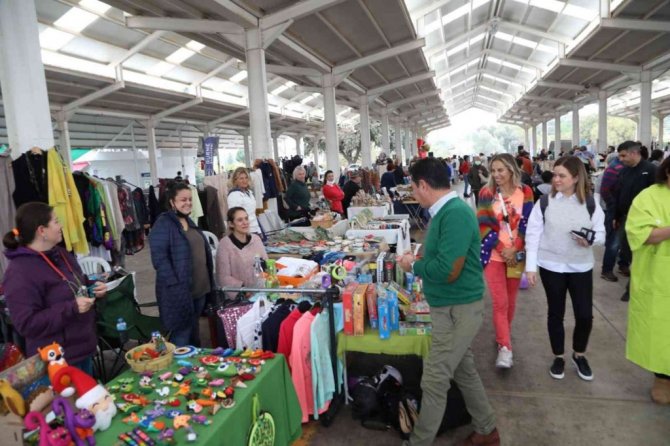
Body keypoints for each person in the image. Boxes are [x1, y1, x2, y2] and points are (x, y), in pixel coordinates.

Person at [397, 157, 499, 446]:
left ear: (423, 185)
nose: (413, 193)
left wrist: (413, 266)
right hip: (449, 307)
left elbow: (447, 271)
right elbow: (445, 256)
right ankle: (487, 429)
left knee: (435, 378)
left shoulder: (454, 214)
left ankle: (419, 441)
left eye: (413, 187)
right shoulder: (443, 212)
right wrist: (420, 257)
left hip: (459, 308)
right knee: (464, 371)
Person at [524, 156, 605, 381]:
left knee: (585, 315)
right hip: (551, 266)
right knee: (555, 313)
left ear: (576, 178)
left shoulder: (590, 203)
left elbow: (601, 233)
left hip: (580, 266)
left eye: (562, 176)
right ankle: (558, 356)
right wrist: (530, 267)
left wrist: (590, 239)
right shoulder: (544, 202)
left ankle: (579, 354)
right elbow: (533, 235)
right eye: (555, 175)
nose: (556, 179)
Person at [2, 202, 107, 375]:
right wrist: (71, 308)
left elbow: (74, 283)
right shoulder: (19, 272)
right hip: (56, 362)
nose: (61, 226)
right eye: (56, 222)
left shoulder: (61, 254)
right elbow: (27, 324)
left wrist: (92, 287)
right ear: (42, 231)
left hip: (82, 349)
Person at [477, 153, 534, 369]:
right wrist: (503, 250)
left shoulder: (526, 192)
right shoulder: (486, 193)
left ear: (511, 169)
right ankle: (505, 348)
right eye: (493, 170)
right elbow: (483, 226)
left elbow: (528, 223)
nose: (496, 174)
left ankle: (503, 336)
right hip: (493, 255)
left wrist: (516, 247)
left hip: (516, 255)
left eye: (500, 170)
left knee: (511, 301)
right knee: (500, 302)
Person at [625, 156, 670, 404]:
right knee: (661, 333)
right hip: (659, 279)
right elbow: (640, 234)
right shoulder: (649, 197)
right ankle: (663, 378)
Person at [150, 182, 214, 347]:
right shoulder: (163, 224)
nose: (188, 203)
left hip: (199, 291)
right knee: (181, 337)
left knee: (194, 332)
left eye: (190, 199)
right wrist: (175, 285)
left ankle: (192, 361)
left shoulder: (189, 222)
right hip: (179, 293)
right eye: (183, 200)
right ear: (172, 202)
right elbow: (159, 259)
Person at [613, 141, 657, 301]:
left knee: (640, 256)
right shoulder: (624, 171)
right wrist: (616, 216)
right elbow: (618, 194)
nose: (620, 159)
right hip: (626, 219)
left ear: (634, 153)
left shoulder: (652, 170)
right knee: (626, 252)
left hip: (646, 222)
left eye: (623, 155)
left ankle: (632, 288)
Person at [216, 207, 268, 293]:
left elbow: (266, 263)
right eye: (240, 220)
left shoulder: (256, 239)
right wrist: (244, 291)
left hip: (261, 290)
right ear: (231, 224)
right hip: (240, 294)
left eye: (246, 218)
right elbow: (223, 277)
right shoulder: (225, 244)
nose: (245, 222)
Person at [599, 156, 626, 282]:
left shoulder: (633, 169)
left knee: (626, 241)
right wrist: (613, 206)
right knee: (614, 241)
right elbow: (604, 190)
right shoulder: (614, 168)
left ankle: (623, 264)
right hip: (616, 211)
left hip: (630, 211)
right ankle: (607, 270)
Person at [227, 167, 261, 234]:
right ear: (235, 180)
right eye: (241, 178)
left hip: (255, 228)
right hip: (244, 231)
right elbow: (234, 216)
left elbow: (252, 214)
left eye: (246, 178)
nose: (244, 180)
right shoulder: (234, 195)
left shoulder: (249, 192)